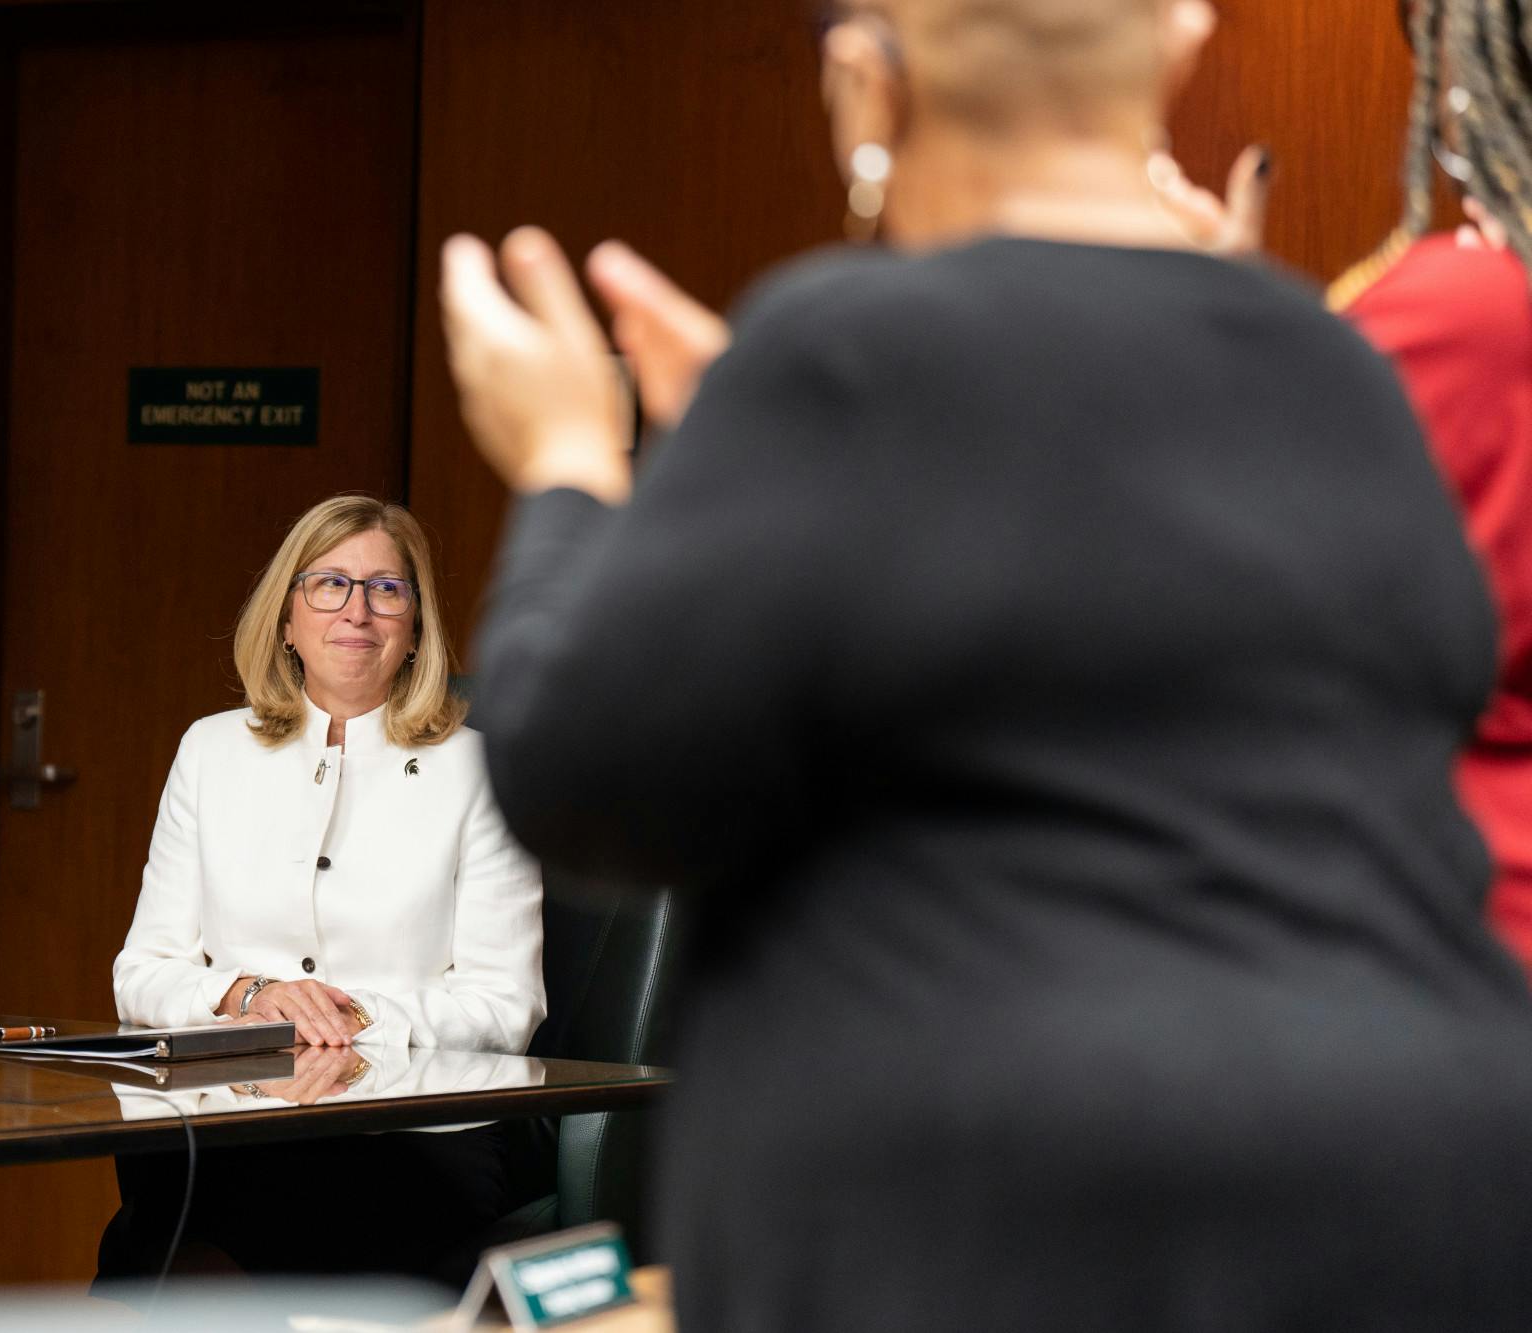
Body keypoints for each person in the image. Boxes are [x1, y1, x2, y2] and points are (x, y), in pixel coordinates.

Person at [438, 0, 1532, 1328]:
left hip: (980, 1207)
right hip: (1398, 1187)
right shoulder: (1334, 368)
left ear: (861, 88)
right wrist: (766, 488)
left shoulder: (839, 346)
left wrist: (570, 465)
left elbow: (582, 778)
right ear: (1179, 48)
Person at [1155, 0, 1532, 973]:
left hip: (1459, 961)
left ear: (1453, 80)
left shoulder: (1458, 318)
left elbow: (1212, 607)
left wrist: (1212, 343)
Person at [98, 493, 545, 1285]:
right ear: (286, 619)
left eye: (387, 588)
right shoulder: (210, 752)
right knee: (174, 1196)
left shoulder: (480, 769)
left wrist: (352, 1017)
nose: (358, 610)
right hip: (235, 1121)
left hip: (419, 1133)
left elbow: (506, 1007)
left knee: (200, 1238)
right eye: (329, 584)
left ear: (414, 630)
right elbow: (142, 975)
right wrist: (250, 993)